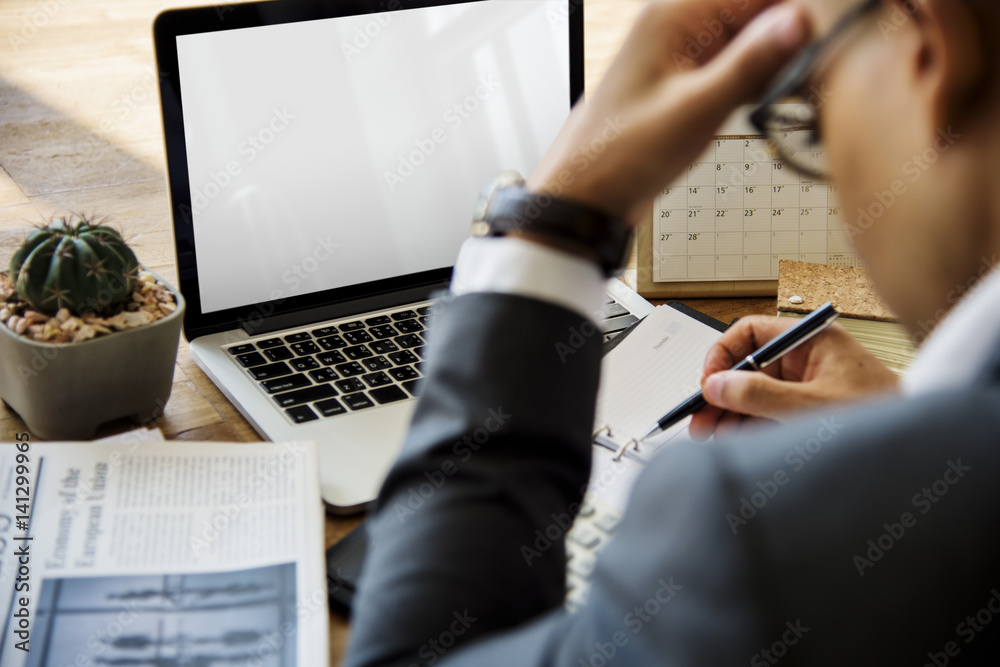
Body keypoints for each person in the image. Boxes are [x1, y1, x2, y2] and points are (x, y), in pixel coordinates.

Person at [346, 0, 1000, 664]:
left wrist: (548, 225)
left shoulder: (756, 545)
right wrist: (903, 432)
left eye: (812, 102)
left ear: (928, 39)